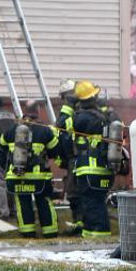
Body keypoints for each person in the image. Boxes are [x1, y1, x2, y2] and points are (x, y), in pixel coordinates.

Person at [0, 100, 60, 238]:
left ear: (24, 111)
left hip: (17, 176)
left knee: (22, 204)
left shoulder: (11, 130)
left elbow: (0, 148)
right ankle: (50, 232)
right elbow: (55, 151)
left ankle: (28, 232)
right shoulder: (45, 131)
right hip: (39, 178)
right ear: (37, 113)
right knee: (44, 202)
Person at [73, 80, 121, 239]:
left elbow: (64, 128)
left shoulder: (82, 118)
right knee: (96, 203)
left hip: (89, 169)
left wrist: (68, 107)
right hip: (104, 168)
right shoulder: (105, 118)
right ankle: (91, 236)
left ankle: (97, 238)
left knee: (91, 204)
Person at [55, 78, 82, 234]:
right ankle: (79, 222)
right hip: (75, 157)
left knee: (74, 193)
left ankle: (80, 224)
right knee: (75, 192)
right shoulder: (74, 113)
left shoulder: (70, 114)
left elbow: (63, 134)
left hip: (76, 158)